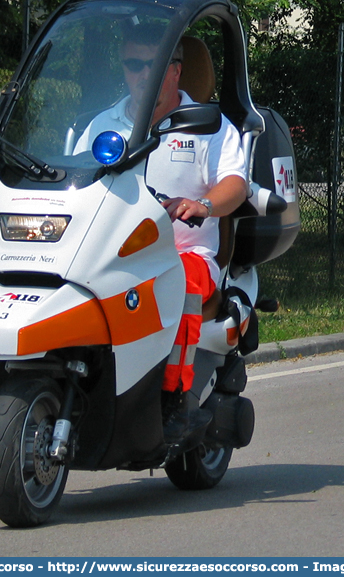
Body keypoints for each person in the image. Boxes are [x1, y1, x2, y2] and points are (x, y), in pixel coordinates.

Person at [77, 27, 248, 443]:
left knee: (181, 286)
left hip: (184, 254)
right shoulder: (104, 124)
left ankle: (174, 401)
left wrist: (203, 205)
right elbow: (76, 179)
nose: (141, 75)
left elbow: (235, 183)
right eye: (132, 65)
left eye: (150, 66)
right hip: (117, 255)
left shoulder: (210, 125)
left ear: (175, 70)